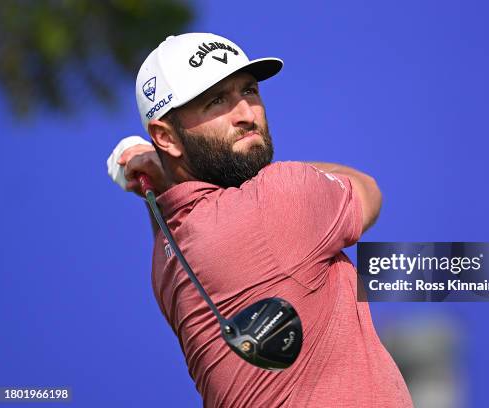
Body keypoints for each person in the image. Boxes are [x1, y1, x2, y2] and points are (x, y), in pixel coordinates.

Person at [107, 32, 413, 407]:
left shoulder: (165, 262)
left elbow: (169, 208)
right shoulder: (280, 196)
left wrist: (160, 169)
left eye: (249, 91)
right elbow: (368, 191)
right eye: (217, 101)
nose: (247, 115)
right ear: (166, 137)